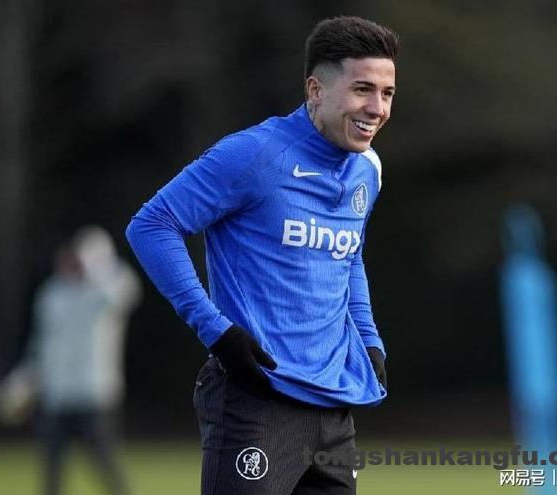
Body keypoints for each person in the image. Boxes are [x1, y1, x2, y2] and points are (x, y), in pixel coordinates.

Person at [126, 15, 397, 494]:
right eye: (362, 89)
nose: (376, 108)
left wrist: (369, 339)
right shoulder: (253, 154)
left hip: (334, 405)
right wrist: (216, 330)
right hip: (257, 401)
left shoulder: (367, 169)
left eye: (387, 93)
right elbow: (152, 225)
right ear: (315, 90)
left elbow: (347, 254)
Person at [24, 227, 141, 495]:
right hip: (57, 395)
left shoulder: (103, 291)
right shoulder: (51, 295)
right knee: (52, 469)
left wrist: (96, 265)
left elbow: (127, 289)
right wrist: (26, 379)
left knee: (106, 464)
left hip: (93, 393)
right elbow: (41, 344)